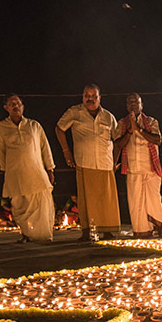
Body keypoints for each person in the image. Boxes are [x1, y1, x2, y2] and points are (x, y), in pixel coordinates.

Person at [56, 84, 119, 242]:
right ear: (82, 97)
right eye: (87, 96)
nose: (90, 99)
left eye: (93, 96)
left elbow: (117, 139)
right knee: (86, 199)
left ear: (99, 98)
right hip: (85, 161)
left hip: (105, 162)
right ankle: (87, 231)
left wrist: (117, 161)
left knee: (107, 198)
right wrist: (66, 152)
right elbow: (59, 129)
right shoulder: (74, 112)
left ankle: (108, 231)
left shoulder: (108, 116)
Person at [0, 93, 55, 242]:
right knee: (19, 205)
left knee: (41, 203)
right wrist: (5, 171)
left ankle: (44, 235)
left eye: (18, 104)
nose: (16, 106)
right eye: (12, 104)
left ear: (23, 106)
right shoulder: (0, 127)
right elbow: (0, 150)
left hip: (36, 171)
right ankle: (26, 234)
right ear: (6, 108)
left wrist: (50, 169)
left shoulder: (34, 125)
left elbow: (44, 148)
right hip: (15, 173)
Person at [115, 93, 162, 238]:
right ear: (126, 106)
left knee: (154, 200)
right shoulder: (122, 124)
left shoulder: (151, 121)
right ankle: (142, 231)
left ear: (142, 105)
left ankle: (157, 228)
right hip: (133, 170)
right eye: (130, 102)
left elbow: (157, 140)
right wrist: (130, 131)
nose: (133, 104)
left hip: (151, 169)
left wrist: (139, 130)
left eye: (136, 102)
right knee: (136, 203)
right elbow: (118, 144)